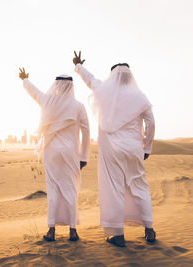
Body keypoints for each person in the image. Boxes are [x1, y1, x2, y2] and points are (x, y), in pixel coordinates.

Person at [72, 51, 156, 247]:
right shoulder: (140, 95)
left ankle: (117, 235)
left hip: (111, 150)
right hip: (134, 148)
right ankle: (149, 231)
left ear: (112, 77)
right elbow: (151, 123)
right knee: (139, 185)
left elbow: (89, 79)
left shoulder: (104, 90)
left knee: (114, 188)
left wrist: (78, 65)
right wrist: (147, 147)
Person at [18, 67, 90, 242]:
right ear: (71, 87)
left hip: (51, 152)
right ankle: (73, 231)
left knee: (53, 190)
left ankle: (51, 231)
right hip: (70, 153)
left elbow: (33, 92)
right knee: (70, 190)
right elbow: (86, 132)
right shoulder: (78, 106)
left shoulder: (47, 100)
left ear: (56, 85)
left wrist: (25, 79)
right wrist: (83, 157)